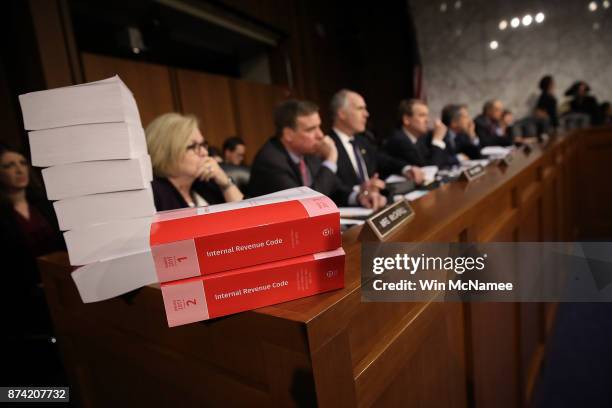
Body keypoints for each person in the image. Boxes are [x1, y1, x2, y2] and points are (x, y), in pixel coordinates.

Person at [249, 99, 380, 208]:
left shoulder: (307, 152)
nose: (320, 135)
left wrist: (359, 197)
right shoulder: (271, 161)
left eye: (319, 126)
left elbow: (334, 189)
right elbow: (307, 205)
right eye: (311, 129)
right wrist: (330, 160)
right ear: (288, 134)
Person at [329, 90, 422, 208]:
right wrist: (360, 192)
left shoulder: (361, 140)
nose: (366, 114)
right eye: (360, 108)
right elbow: (332, 188)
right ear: (342, 114)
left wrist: (406, 168)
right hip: (350, 211)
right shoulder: (327, 146)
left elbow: (382, 159)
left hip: (375, 205)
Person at [146, 113, 243, 211]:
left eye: (203, 144)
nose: (205, 152)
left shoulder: (206, 181)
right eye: (193, 146)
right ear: (166, 153)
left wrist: (225, 183)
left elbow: (245, 216)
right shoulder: (155, 195)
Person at [383, 99, 433, 169]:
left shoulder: (420, 138)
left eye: (427, 115)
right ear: (406, 120)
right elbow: (427, 168)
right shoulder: (398, 140)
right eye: (422, 115)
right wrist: (438, 140)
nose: (427, 120)